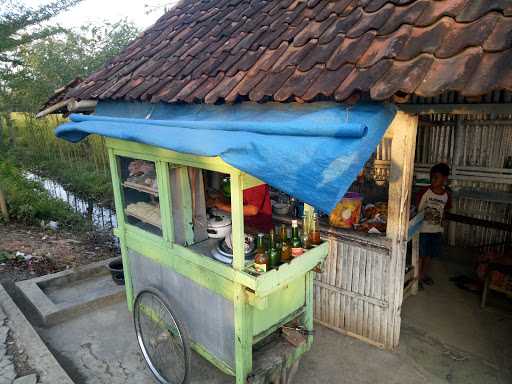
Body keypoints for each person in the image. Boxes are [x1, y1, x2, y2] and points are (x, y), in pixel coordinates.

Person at [416, 163, 452, 288]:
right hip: (423, 230)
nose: (433, 180)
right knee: (420, 255)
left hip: (436, 231)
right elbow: (418, 209)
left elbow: (446, 211)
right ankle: (417, 278)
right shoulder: (425, 192)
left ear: (444, 179)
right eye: (432, 177)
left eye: (436, 178)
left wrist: (444, 221)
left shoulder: (446, 195)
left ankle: (423, 275)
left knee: (429, 255)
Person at [209, 183, 273, 233]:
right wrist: (220, 200)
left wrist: (222, 206)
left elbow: (253, 210)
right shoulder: (240, 177)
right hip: (244, 225)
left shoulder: (255, 180)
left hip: (259, 229)